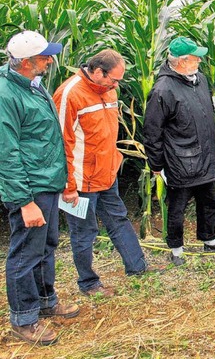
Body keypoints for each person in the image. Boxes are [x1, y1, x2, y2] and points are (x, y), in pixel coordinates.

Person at [0, 31, 80, 345]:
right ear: (27, 62)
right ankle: (23, 320)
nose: (50, 60)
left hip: (46, 181)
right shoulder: (7, 94)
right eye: (45, 56)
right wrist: (24, 201)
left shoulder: (32, 85)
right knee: (25, 254)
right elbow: (7, 152)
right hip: (30, 188)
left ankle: (45, 301)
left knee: (45, 247)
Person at [53, 49, 149, 297]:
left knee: (118, 219)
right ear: (97, 71)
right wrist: (68, 186)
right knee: (84, 232)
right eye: (113, 79)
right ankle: (88, 283)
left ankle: (138, 267)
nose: (116, 85)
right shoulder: (69, 94)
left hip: (107, 173)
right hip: (81, 180)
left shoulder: (108, 90)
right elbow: (61, 143)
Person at [143, 37, 215, 266]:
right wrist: (157, 165)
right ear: (182, 62)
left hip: (206, 156)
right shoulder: (163, 90)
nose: (199, 61)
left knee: (209, 201)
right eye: (195, 58)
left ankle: (210, 239)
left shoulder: (200, 80)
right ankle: (176, 248)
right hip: (180, 161)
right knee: (177, 207)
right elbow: (152, 132)